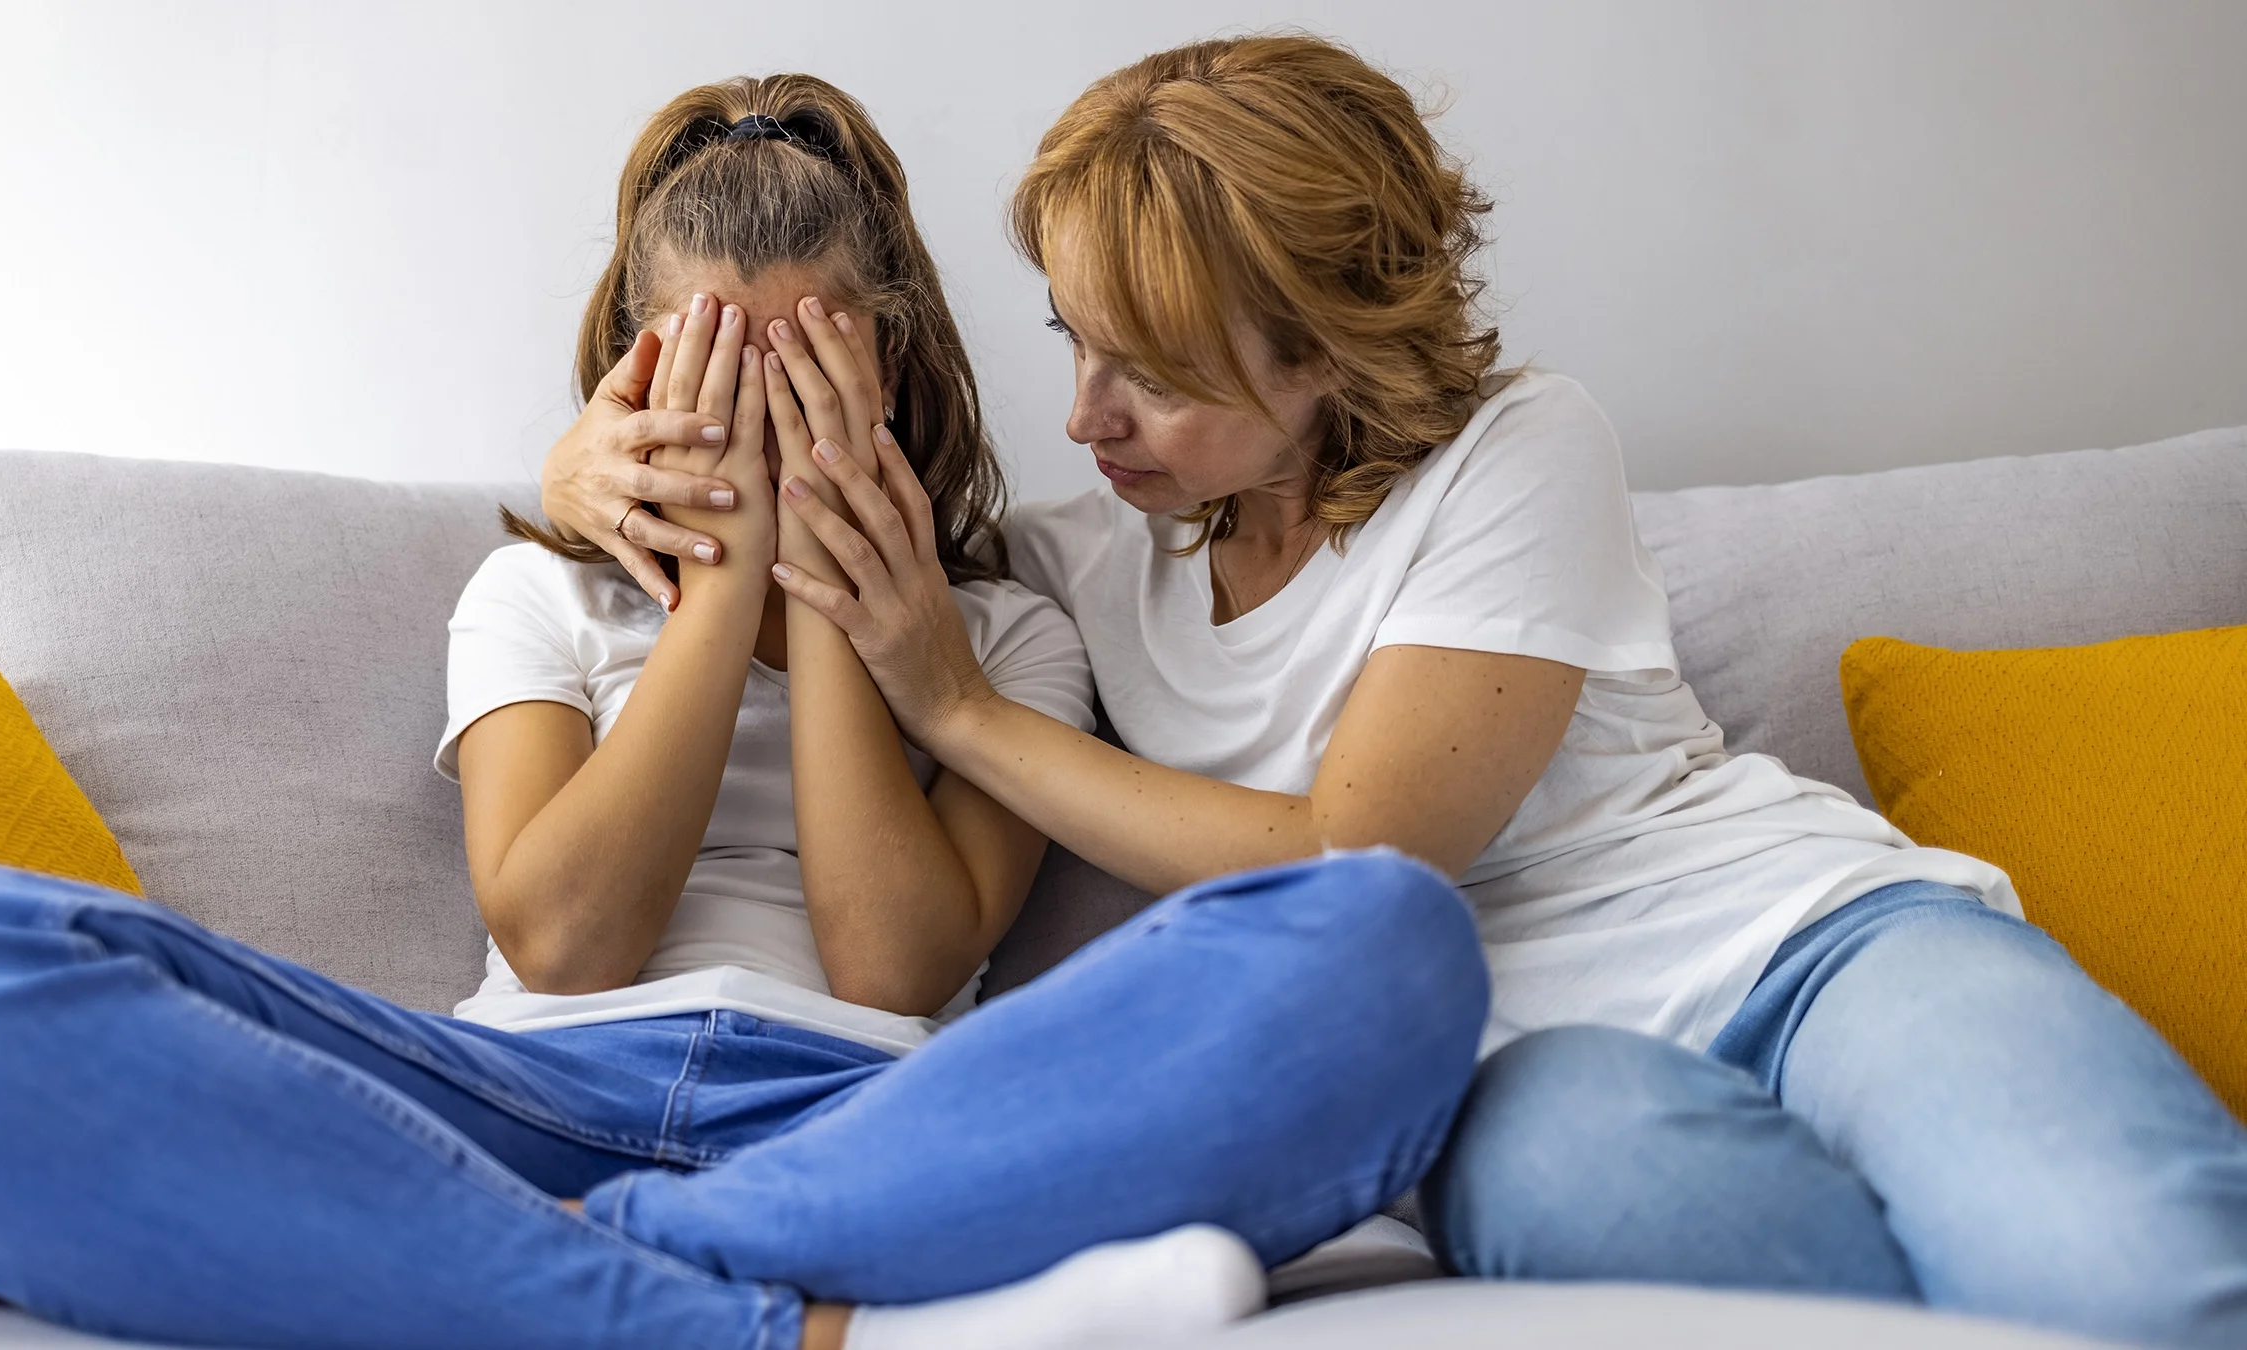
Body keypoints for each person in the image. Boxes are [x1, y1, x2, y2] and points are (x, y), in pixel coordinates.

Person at [542, 35, 2247, 1349]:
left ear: (1321, 353)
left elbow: (1361, 857)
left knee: (2135, 1281)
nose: (1086, 415)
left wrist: (963, 711)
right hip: (1522, 1073)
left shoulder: (1521, 451)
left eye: (1154, 371)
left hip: (1808, 949)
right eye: (1072, 340)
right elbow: (840, 509)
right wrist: (581, 470)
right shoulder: (1082, 558)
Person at [0, 76, 1497, 1350]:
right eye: (711, 371)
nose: (756, 421)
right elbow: (566, 934)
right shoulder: (538, 597)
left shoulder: (1002, 632)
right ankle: (801, 1320)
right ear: (634, 375)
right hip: (510, 1103)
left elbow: (895, 964)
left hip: (875, 1120)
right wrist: (719, 590)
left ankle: (561, 1280)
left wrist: (848, 602)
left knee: (1382, 946)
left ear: (889, 366)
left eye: (802, 377)